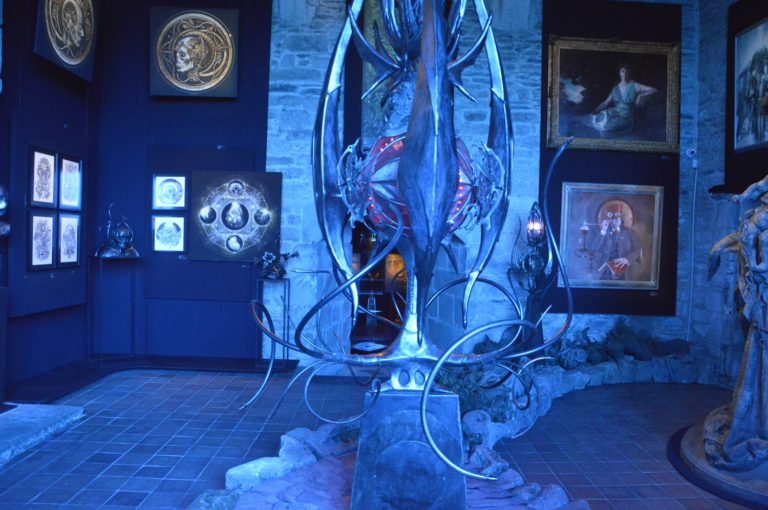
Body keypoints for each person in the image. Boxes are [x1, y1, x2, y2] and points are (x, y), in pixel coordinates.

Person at [590, 64, 657, 134]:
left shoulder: (634, 85)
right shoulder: (615, 89)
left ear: (629, 73)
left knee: (607, 126)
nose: (624, 74)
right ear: (620, 73)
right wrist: (593, 112)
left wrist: (640, 95)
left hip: (626, 117)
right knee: (597, 118)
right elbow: (605, 103)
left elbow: (654, 90)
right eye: (623, 71)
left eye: (626, 72)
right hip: (614, 112)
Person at [593, 203, 640, 281]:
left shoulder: (630, 232)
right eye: (612, 219)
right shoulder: (604, 232)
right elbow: (595, 248)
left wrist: (627, 259)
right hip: (606, 271)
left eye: (617, 218)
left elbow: (637, 249)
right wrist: (603, 231)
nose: (615, 221)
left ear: (621, 219)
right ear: (608, 220)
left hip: (624, 270)